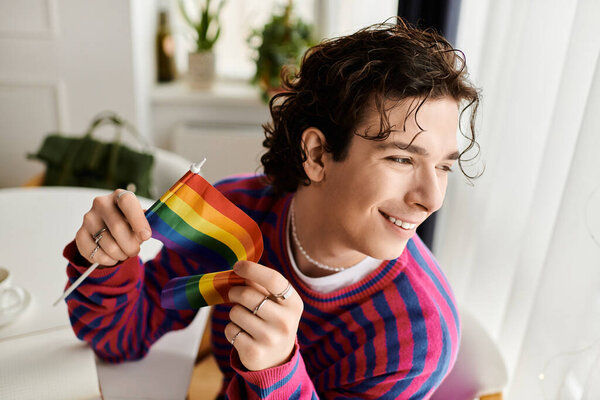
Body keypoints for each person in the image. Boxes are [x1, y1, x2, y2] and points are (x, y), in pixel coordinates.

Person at [63, 20, 480, 399]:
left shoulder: (418, 334)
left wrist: (277, 372)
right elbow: (120, 339)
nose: (432, 198)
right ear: (317, 155)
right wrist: (106, 262)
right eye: (402, 159)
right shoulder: (233, 215)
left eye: (443, 165)